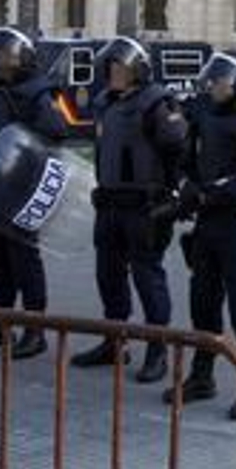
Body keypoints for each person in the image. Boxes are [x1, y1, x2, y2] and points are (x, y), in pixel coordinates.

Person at [164, 48, 236, 420]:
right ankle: (202, 375)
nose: (214, 85)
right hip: (208, 224)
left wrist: (213, 193)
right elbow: (185, 159)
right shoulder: (205, 114)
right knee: (203, 303)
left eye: (223, 80)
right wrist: (186, 187)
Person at [72, 37, 187, 384]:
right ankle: (113, 340)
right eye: (111, 67)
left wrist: (172, 193)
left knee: (147, 277)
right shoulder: (105, 102)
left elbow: (179, 149)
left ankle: (157, 350)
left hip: (145, 206)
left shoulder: (158, 103)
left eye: (120, 67)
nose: (114, 73)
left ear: (138, 70)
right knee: (108, 274)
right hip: (110, 203)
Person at [0, 27, 67, 359]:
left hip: (22, 189)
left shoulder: (37, 94)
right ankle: (1, 322)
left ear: (17, 57)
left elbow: (55, 134)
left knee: (24, 259)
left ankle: (34, 330)